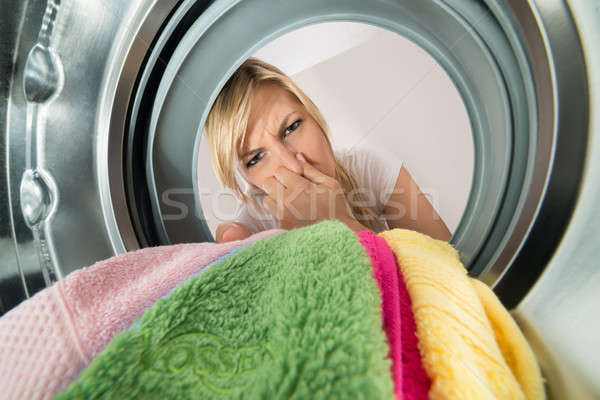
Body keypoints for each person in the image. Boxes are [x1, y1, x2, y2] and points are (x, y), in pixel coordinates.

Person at [204, 57, 451, 243]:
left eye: (292, 127)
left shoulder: (370, 169)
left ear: (314, 116)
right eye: (256, 158)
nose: (292, 165)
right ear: (244, 176)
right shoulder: (252, 231)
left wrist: (341, 223)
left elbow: (454, 283)